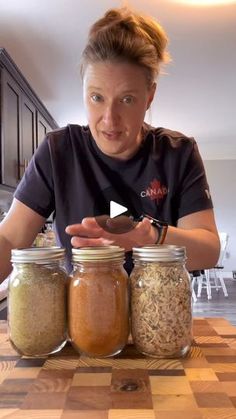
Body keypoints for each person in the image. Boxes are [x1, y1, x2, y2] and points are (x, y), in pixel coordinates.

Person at [0, 7, 220, 282]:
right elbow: (10, 237)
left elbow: (209, 250)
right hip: (86, 310)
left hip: (158, 313)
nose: (109, 120)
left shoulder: (178, 153)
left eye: (126, 99)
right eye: (96, 97)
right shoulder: (59, 151)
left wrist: (150, 236)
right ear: (83, 90)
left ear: (149, 96)